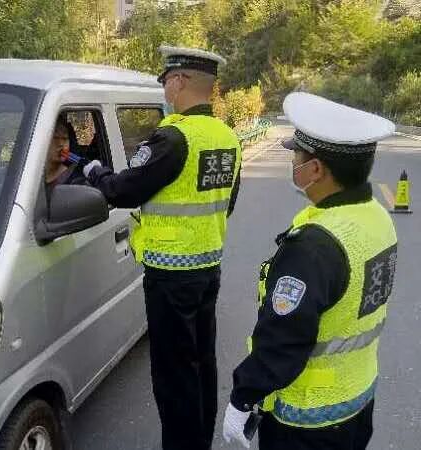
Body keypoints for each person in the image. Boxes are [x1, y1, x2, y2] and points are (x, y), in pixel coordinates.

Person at [82, 46, 242, 450]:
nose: (165, 89)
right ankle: (199, 441)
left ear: (180, 81)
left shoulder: (173, 138)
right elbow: (227, 203)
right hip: (207, 269)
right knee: (202, 364)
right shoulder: (227, 137)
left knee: (173, 375)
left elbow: (123, 190)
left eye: (167, 80)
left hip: (171, 278)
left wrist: (95, 171)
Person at [222, 92, 398, 450]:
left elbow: (283, 340)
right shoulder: (376, 216)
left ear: (315, 169)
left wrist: (242, 397)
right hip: (357, 400)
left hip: (307, 422)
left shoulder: (313, 247)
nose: (293, 163)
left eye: (297, 156)